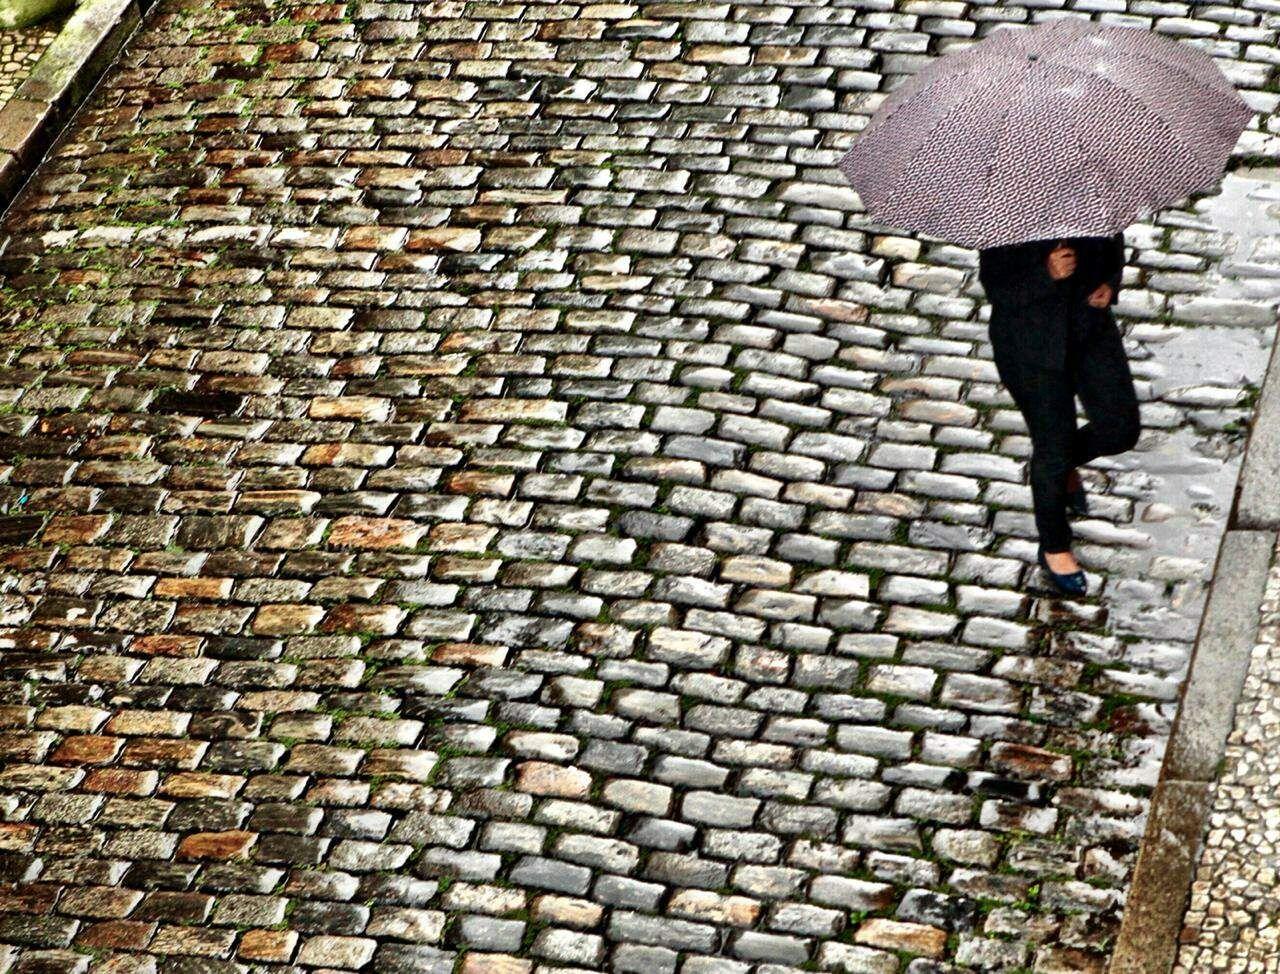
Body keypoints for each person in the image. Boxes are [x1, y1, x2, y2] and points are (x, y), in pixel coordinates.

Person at [977, 234, 1140, 596]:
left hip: (1090, 330)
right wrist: (1046, 273)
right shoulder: (1005, 220)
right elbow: (998, 289)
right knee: (1053, 446)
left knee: (1120, 428)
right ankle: (1054, 547)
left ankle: (1059, 468)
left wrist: (1110, 284)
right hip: (1029, 349)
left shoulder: (1089, 204)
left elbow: (1112, 245)